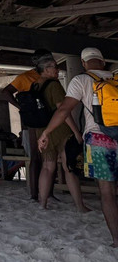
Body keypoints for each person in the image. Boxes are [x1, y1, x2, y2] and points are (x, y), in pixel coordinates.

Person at [39, 48, 118, 246]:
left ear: (83, 63)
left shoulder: (82, 80)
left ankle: (117, 240)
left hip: (99, 140)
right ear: (103, 61)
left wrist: (46, 132)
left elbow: (64, 109)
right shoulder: (115, 78)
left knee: (107, 191)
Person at [34, 57, 88, 212]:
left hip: (42, 130)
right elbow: (63, 111)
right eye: (53, 67)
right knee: (68, 167)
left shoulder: (35, 85)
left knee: (47, 167)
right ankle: (80, 206)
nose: (57, 70)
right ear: (45, 70)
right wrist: (76, 132)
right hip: (60, 130)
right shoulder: (54, 85)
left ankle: (42, 203)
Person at [3, 48, 52, 200]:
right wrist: (21, 107)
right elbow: (6, 92)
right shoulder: (25, 77)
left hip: (48, 119)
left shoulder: (50, 75)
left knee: (49, 157)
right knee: (35, 157)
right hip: (33, 121)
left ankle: (47, 192)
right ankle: (34, 193)